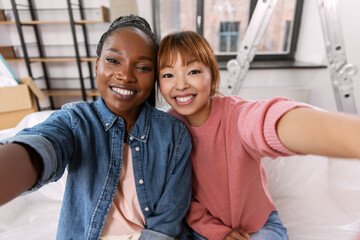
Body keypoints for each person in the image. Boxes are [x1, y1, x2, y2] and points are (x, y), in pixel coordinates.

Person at [0, 15, 192, 240]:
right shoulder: (75, 120)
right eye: (113, 60)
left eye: (142, 67)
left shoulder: (174, 134)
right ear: (96, 65)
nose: (126, 75)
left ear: (154, 78)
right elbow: (43, 144)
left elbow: (168, 220)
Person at [157, 30, 360, 240]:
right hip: (205, 228)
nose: (181, 85)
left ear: (213, 76)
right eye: (168, 75)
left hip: (258, 223)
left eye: (193, 72)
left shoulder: (235, 115)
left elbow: (266, 120)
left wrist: (352, 136)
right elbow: (181, 197)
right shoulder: (166, 129)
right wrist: (219, 233)